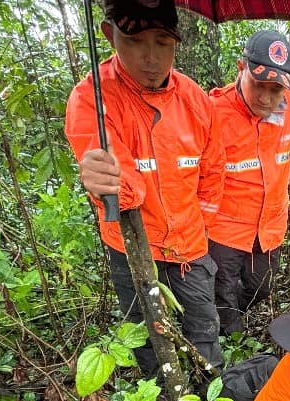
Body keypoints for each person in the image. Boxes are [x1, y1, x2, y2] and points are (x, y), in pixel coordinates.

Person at [65, 0, 225, 372]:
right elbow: (129, 193)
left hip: (191, 249)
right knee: (149, 339)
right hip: (132, 247)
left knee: (204, 329)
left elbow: (213, 171)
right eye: (135, 40)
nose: (150, 58)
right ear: (109, 35)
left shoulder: (196, 100)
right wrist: (103, 177)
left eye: (163, 42)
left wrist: (199, 227)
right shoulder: (91, 100)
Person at [207, 30, 290, 336]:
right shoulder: (213, 110)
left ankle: (218, 318)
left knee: (262, 285)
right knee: (223, 300)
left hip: (270, 226)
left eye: (275, 90)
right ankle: (230, 354)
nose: (265, 97)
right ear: (241, 68)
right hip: (225, 229)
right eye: (258, 85)